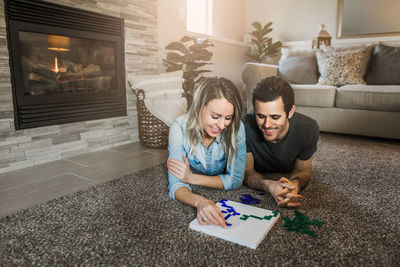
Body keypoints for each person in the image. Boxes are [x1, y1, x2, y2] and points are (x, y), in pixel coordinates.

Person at [167, 77, 246, 228]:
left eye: (228, 118)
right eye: (215, 117)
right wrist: (200, 201)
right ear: (199, 107)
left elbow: (235, 180)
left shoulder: (237, 127)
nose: (222, 125)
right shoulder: (178, 128)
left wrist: (190, 177)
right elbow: (176, 184)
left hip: (195, 175)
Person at [242, 76, 319, 208]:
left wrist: (294, 185)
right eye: (260, 116)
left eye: (275, 117)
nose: (267, 125)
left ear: (290, 112)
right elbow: (247, 172)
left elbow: (302, 171)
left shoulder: (309, 128)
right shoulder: (244, 126)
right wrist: (269, 185)